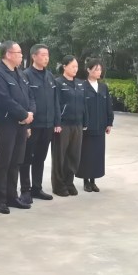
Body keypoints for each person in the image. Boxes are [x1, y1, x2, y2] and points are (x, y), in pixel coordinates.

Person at [0, 41, 35, 214]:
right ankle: (0, 199)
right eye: (18, 53)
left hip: (22, 124)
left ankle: (12, 196)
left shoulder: (20, 73)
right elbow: (4, 99)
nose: (21, 56)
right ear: (8, 54)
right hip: (7, 123)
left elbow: (30, 96)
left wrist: (30, 114)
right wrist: (23, 114)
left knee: (16, 161)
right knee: (4, 161)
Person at [19, 44, 59, 203]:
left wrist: (56, 122)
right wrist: (27, 125)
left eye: (47, 55)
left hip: (48, 125)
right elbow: (25, 101)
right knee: (26, 158)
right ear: (34, 56)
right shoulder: (26, 75)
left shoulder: (50, 76)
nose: (46, 58)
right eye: (43, 55)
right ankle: (25, 190)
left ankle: (37, 188)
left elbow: (55, 101)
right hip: (33, 125)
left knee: (40, 158)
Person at [51, 55, 88, 197]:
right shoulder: (58, 83)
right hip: (63, 125)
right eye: (72, 66)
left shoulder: (80, 84)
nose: (75, 69)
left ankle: (69, 182)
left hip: (77, 124)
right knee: (60, 156)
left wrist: (85, 121)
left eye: (77, 66)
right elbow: (55, 104)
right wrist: (57, 122)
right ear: (64, 66)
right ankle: (58, 185)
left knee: (74, 155)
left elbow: (84, 104)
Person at [77, 58, 114, 192]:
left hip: (100, 127)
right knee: (86, 154)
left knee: (97, 155)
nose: (99, 72)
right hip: (87, 128)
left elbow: (108, 105)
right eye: (96, 69)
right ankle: (86, 181)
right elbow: (80, 107)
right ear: (88, 70)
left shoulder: (103, 87)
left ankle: (93, 181)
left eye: (100, 69)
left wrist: (109, 123)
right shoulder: (82, 86)